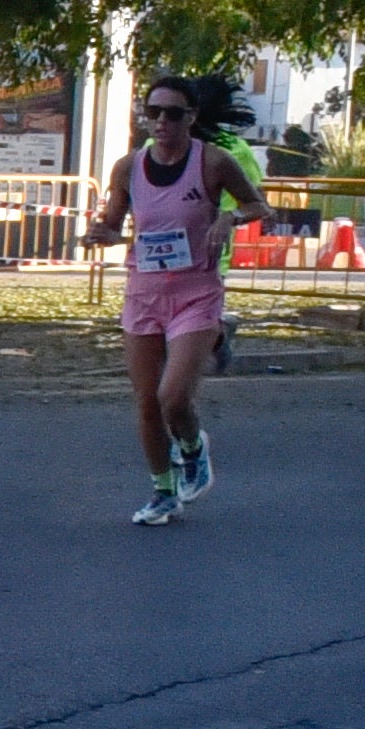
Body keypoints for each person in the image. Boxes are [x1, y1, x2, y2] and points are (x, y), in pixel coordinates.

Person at [85, 76, 274, 525]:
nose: (161, 122)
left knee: (173, 397)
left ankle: (192, 448)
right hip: (145, 293)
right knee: (147, 402)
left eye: (172, 113)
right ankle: (163, 491)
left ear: (191, 117)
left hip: (196, 293)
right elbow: (114, 223)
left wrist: (229, 216)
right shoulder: (128, 167)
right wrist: (103, 235)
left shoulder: (213, 162)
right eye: (153, 113)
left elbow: (259, 206)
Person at [189, 74, 264, 375]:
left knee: (198, 311)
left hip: (211, 250)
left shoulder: (235, 151)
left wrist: (229, 216)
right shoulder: (159, 143)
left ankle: (216, 336)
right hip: (164, 251)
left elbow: (253, 200)